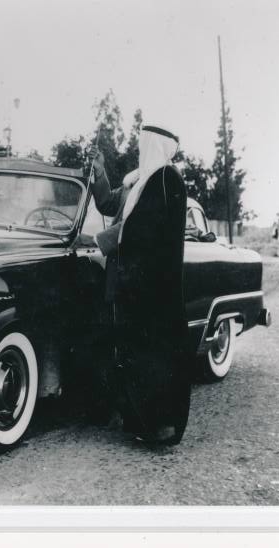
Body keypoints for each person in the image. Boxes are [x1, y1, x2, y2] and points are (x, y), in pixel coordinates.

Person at [83, 125, 192, 445]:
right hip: (127, 279)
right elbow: (107, 204)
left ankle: (158, 424)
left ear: (156, 146)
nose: (139, 149)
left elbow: (139, 228)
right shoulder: (138, 182)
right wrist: (99, 171)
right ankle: (132, 417)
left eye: (144, 144)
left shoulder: (165, 180)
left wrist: (97, 241)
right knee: (127, 349)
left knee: (151, 353)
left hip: (151, 284)